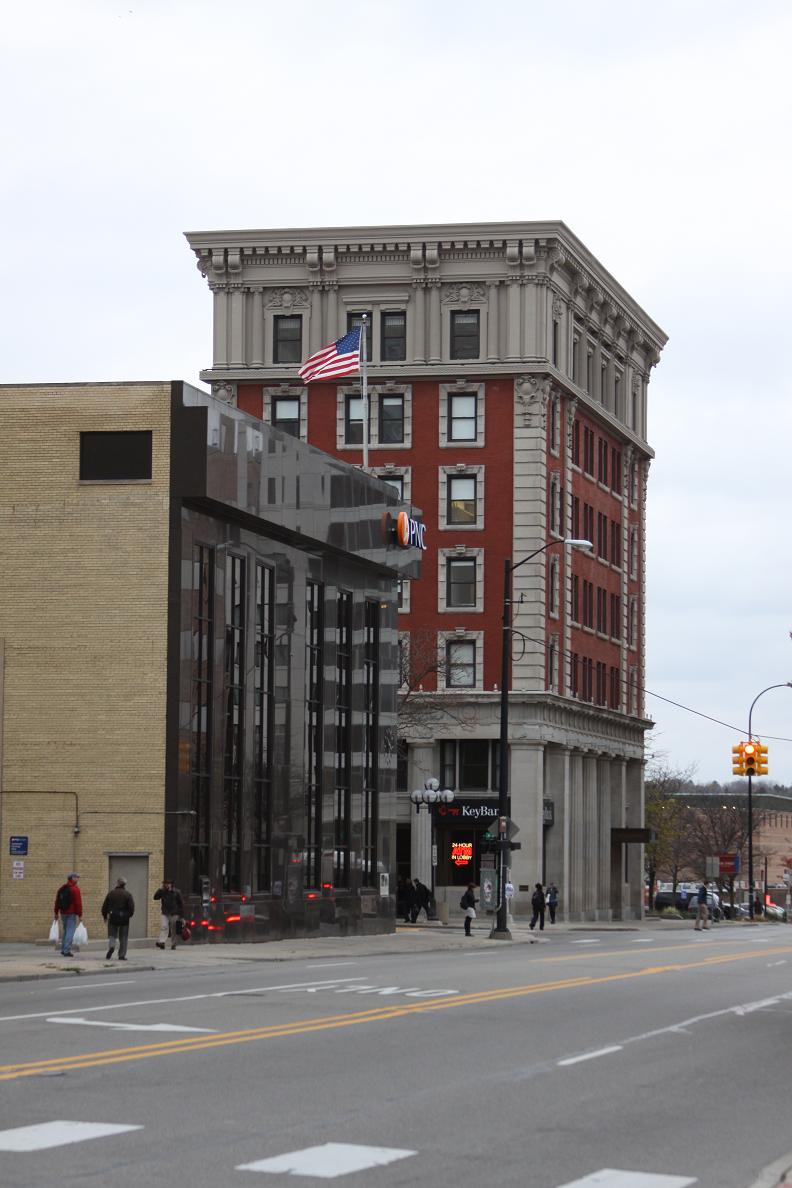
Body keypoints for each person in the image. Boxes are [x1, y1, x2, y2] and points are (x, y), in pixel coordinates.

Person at [101, 877, 135, 961]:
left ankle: (112, 947)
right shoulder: (128, 894)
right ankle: (121, 955)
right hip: (124, 918)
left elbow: (104, 906)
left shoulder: (111, 893)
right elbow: (131, 907)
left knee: (112, 935)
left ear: (117, 883)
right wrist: (128, 915)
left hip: (113, 917)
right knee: (123, 937)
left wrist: (105, 916)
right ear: (124, 884)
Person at [53, 872, 82, 958]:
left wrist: (56, 912)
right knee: (70, 931)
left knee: (65, 931)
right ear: (72, 878)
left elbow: (57, 902)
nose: (77, 879)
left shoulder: (62, 888)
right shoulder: (75, 889)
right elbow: (78, 903)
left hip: (63, 913)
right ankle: (67, 950)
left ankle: (63, 949)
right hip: (71, 913)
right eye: (76, 877)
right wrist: (80, 915)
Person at [154, 878, 185, 950]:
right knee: (164, 927)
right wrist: (160, 890)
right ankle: (162, 942)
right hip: (165, 912)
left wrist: (182, 916)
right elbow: (155, 897)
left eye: (168, 883)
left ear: (171, 884)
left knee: (173, 929)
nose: (166, 885)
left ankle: (173, 944)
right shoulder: (162, 891)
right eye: (165, 884)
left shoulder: (177, 892)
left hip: (174, 913)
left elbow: (181, 904)